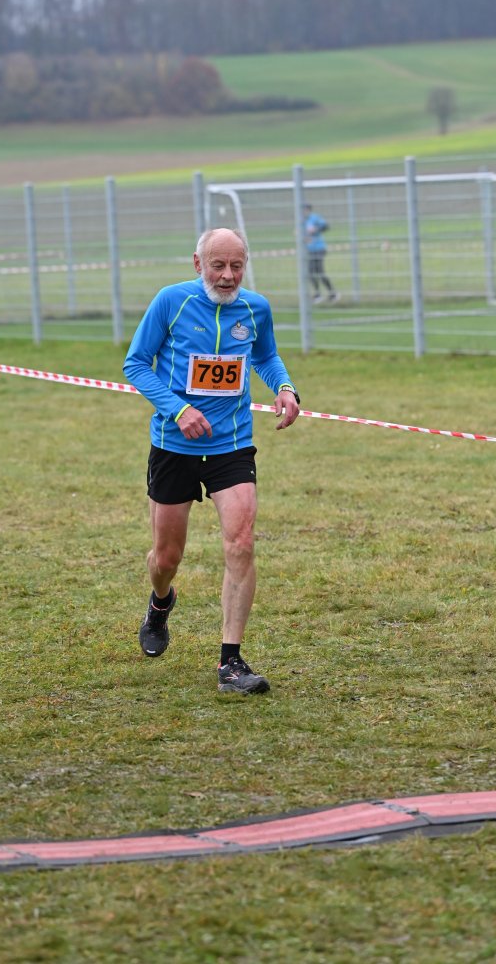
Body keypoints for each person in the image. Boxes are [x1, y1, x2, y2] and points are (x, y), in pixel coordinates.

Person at [123, 227, 301, 695]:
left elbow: (265, 356)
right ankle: (160, 603)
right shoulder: (172, 301)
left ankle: (231, 663)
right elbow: (136, 363)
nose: (227, 276)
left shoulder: (255, 308)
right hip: (174, 445)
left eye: (236, 266)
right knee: (166, 558)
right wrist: (178, 409)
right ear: (198, 263)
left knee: (241, 541)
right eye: (218, 265)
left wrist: (284, 387)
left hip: (232, 444)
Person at [304, 204, 339, 304]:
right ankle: (318, 295)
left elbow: (326, 226)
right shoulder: (302, 221)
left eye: (304, 210)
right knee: (311, 272)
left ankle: (333, 293)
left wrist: (315, 229)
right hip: (310, 250)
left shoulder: (315, 218)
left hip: (319, 249)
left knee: (319, 271)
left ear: (308, 210)